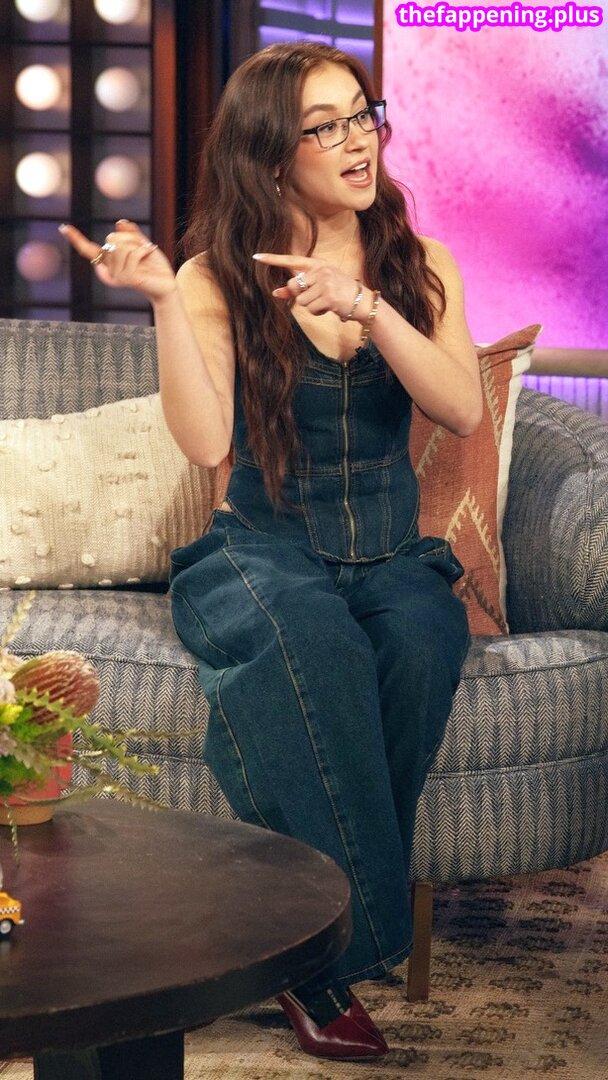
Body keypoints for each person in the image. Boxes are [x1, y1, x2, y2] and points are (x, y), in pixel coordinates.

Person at [61, 40, 483, 1062]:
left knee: (420, 643)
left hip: (392, 557)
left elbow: (461, 407)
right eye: (324, 127)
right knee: (310, 641)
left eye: (361, 115)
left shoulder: (421, 265)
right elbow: (207, 441)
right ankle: (327, 964)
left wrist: (369, 309)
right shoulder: (216, 276)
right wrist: (166, 302)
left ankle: (293, 950)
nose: (357, 141)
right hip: (262, 551)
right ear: (269, 155)